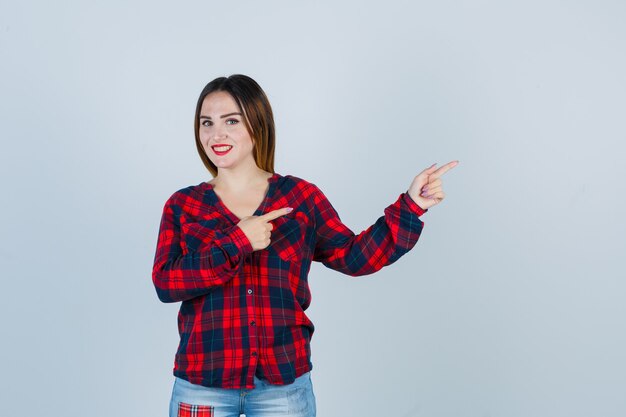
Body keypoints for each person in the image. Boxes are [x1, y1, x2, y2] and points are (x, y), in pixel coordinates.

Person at [152, 74, 459, 417]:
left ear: (257, 124)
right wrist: (238, 241)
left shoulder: (300, 198)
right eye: (206, 123)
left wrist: (411, 206)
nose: (216, 134)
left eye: (231, 121)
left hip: (282, 387)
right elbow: (166, 283)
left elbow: (354, 256)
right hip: (202, 384)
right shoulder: (183, 205)